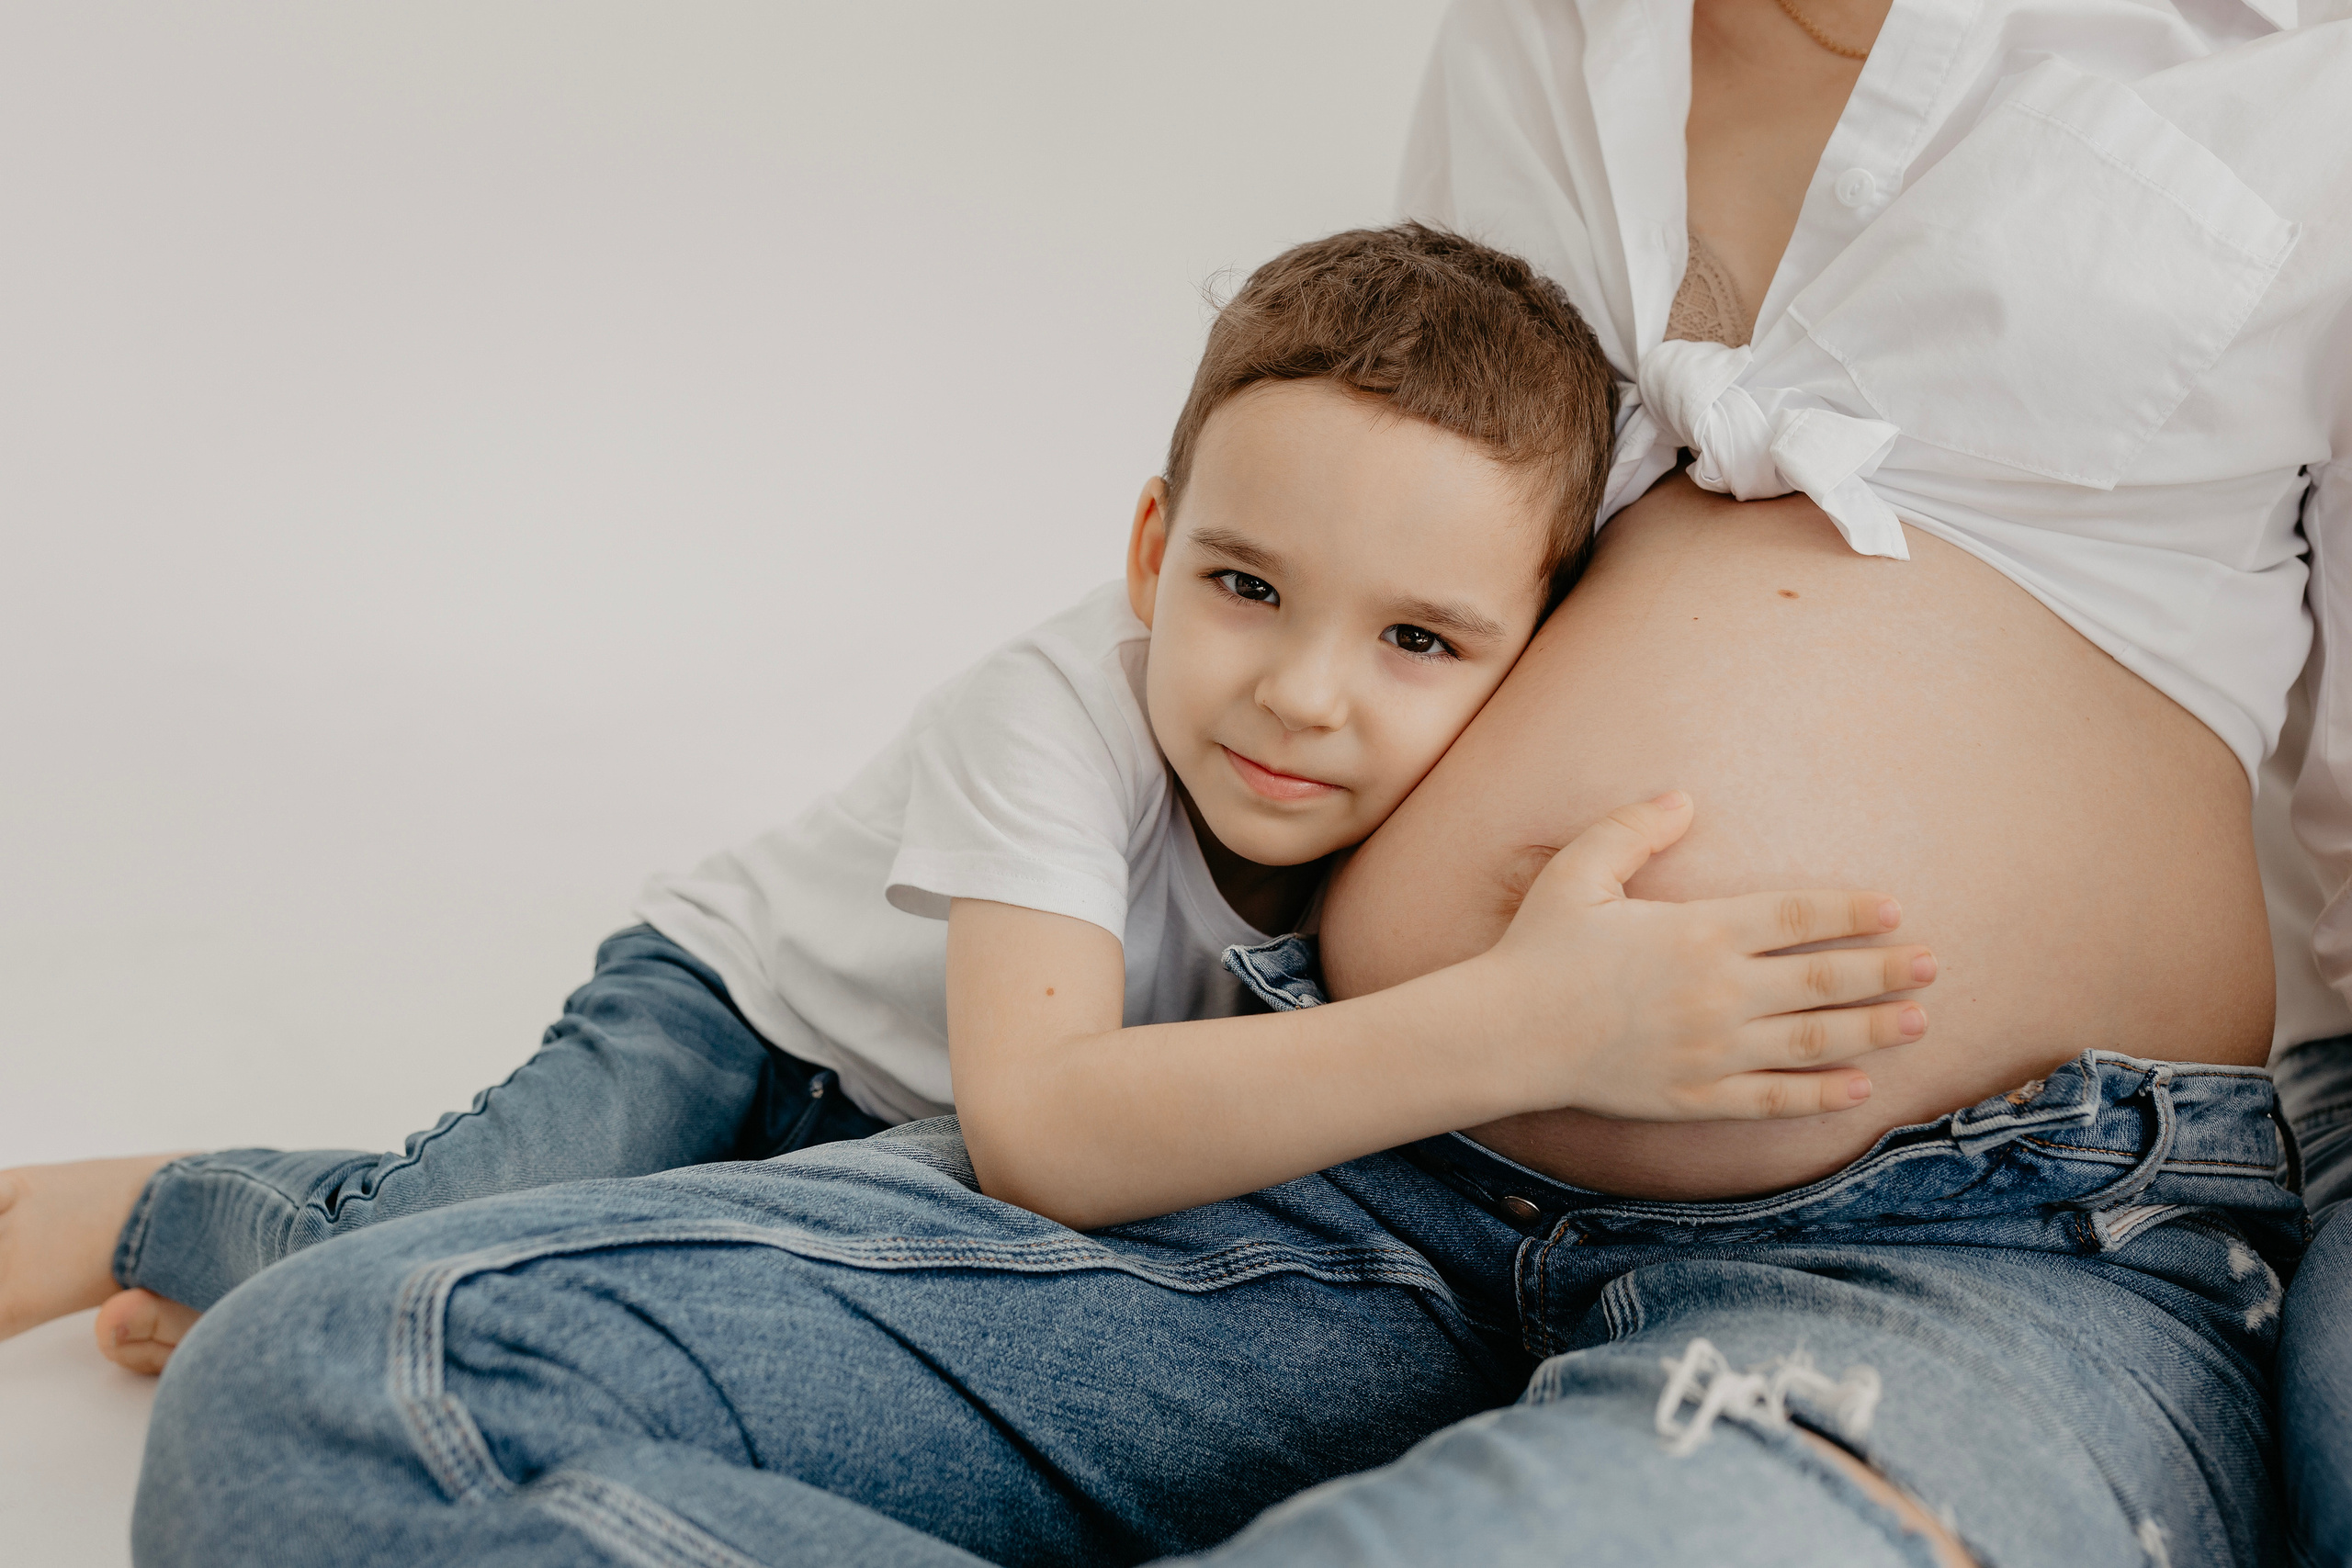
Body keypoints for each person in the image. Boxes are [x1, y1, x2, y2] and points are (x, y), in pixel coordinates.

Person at [98, 1, 2352, 1565]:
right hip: (1341, 1151)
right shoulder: (1541, 33)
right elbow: (1395, 552)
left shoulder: (2297, 71)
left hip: (1967, 1233)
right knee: (341, 1402)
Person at [0, 224, 1931, 1374]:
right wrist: (1522, 1016)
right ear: (1149, 543)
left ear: (1535, 661)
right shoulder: (1051, 715)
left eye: (1418, 638)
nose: (1297, 692)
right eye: (1243, 585)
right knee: (442, 1220)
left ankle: (293, 1261)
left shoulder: (1406, 789)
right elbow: (1050, 1126)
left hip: (914, 1125)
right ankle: (147, 1205)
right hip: (752, 1018)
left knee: (540, 1276)